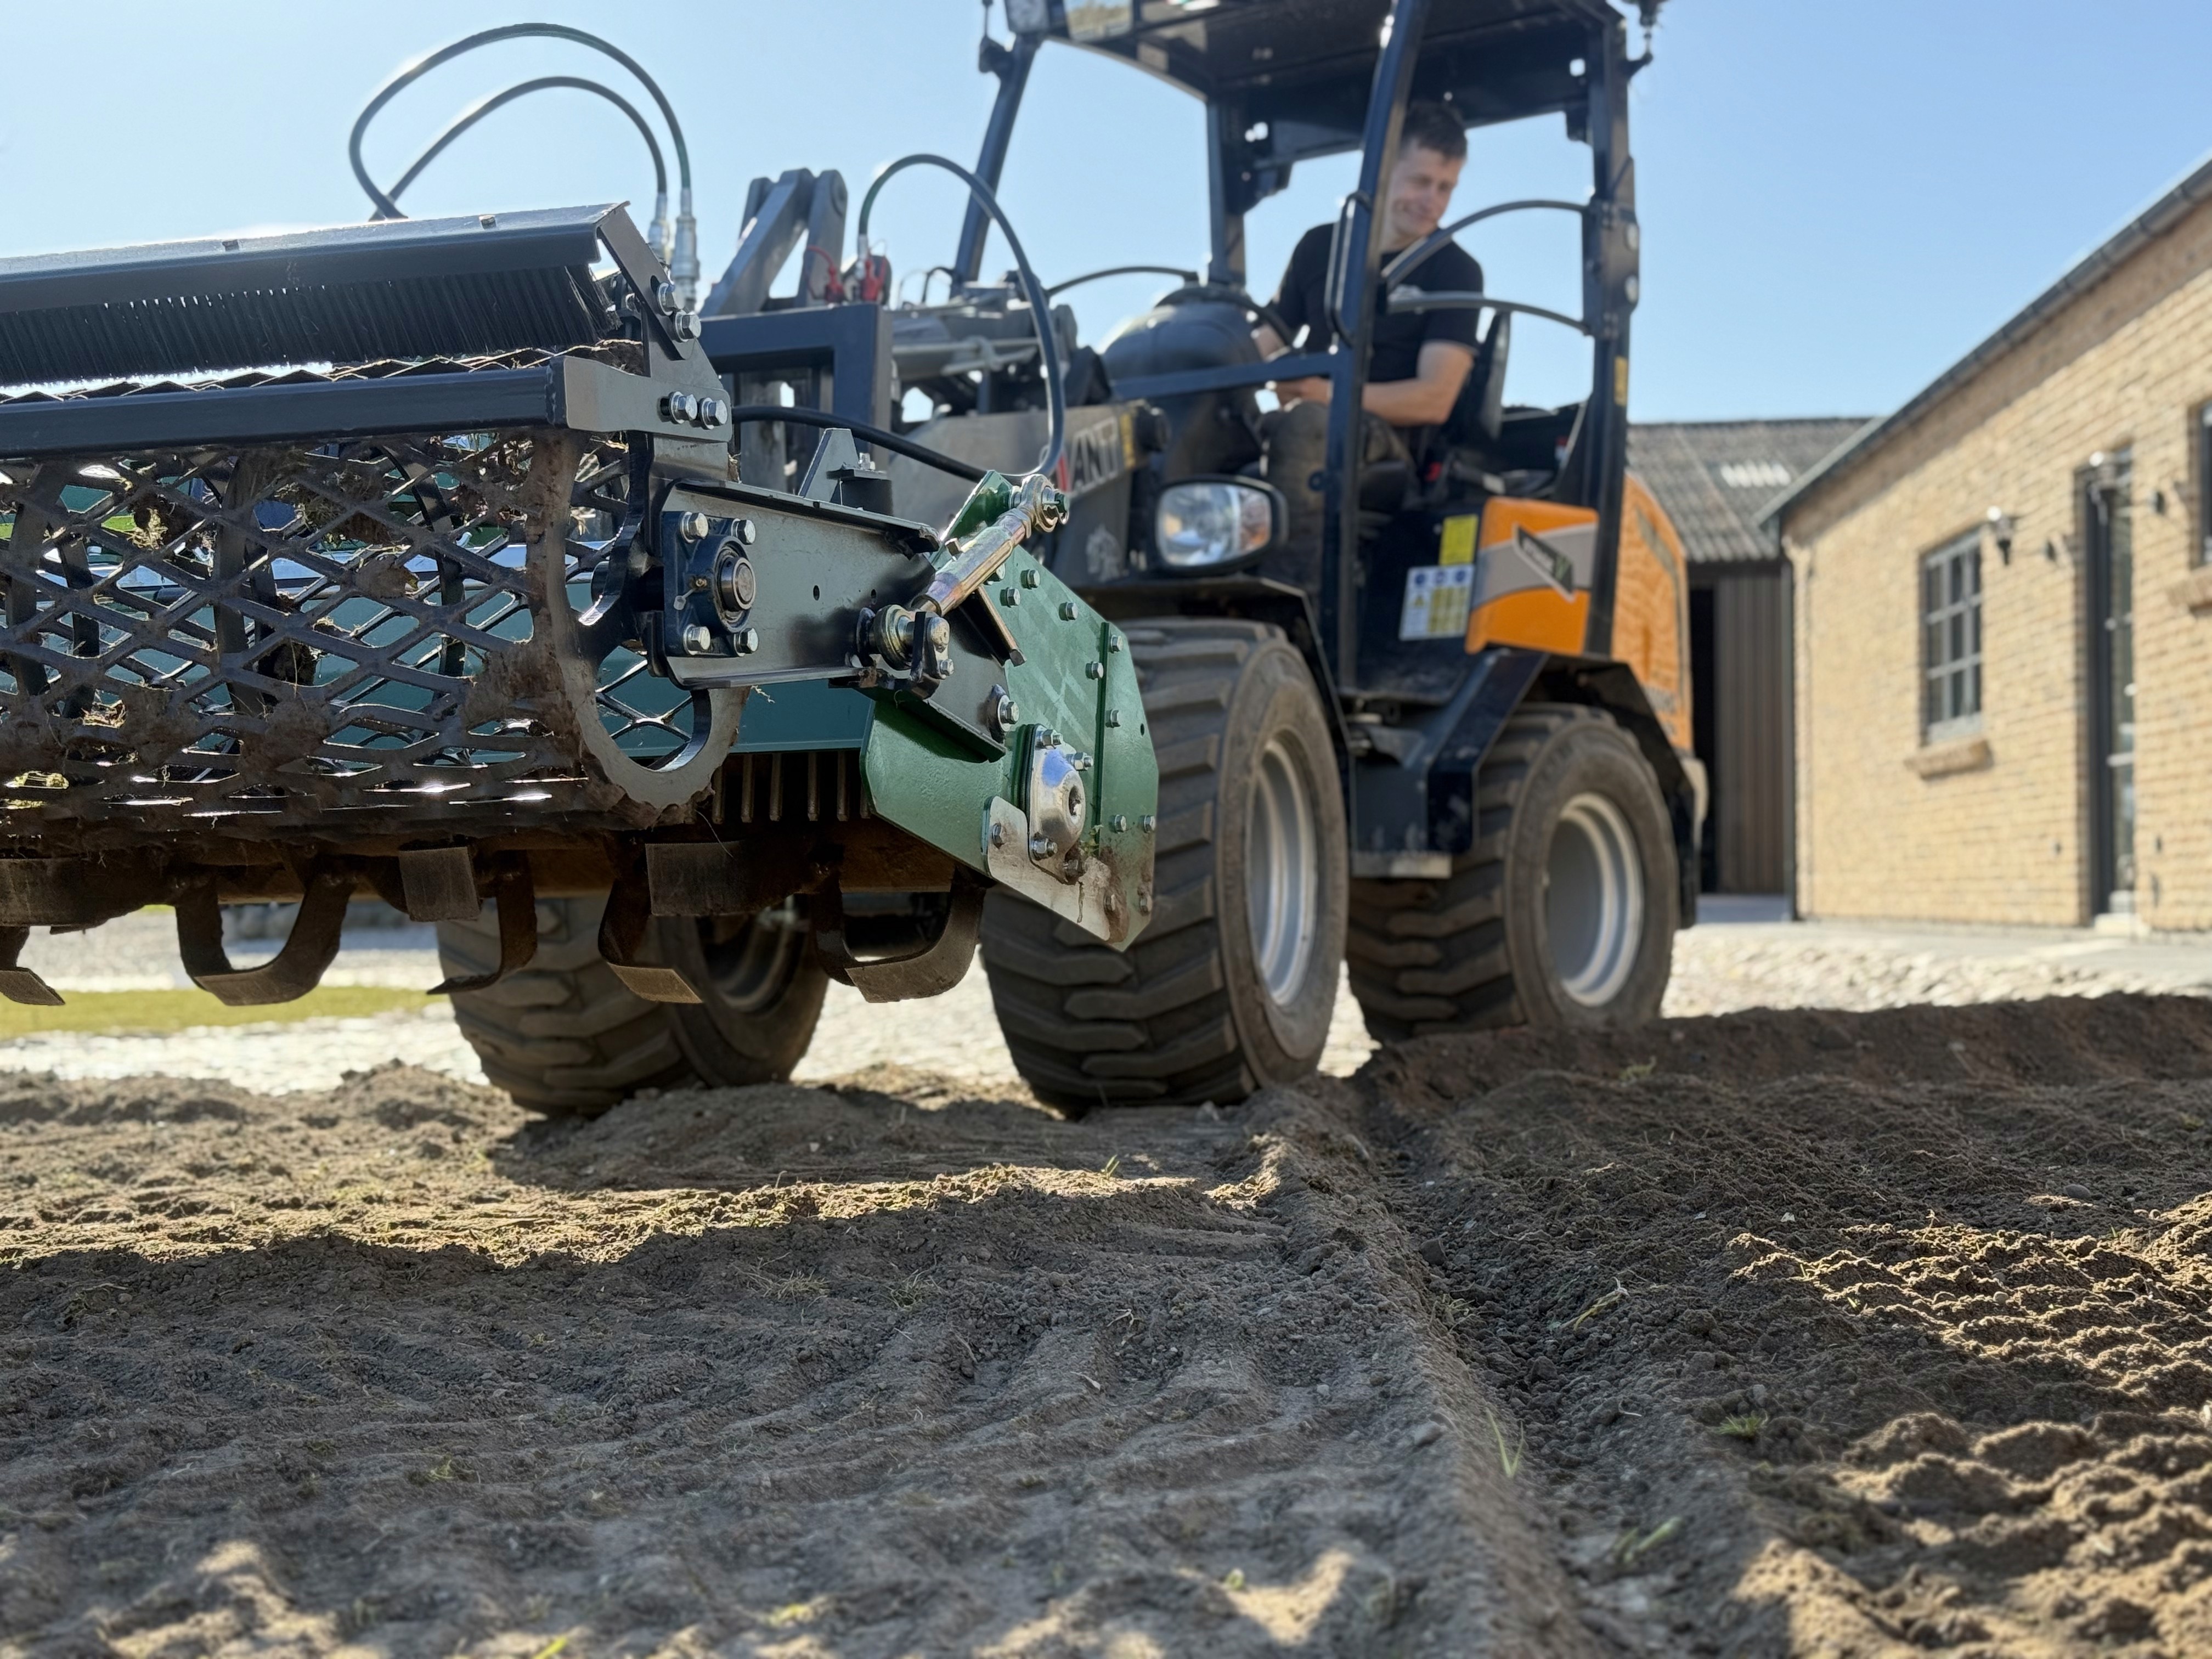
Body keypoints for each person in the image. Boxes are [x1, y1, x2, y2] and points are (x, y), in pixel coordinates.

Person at [1251, 100, 1482, 592]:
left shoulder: (1454, 271)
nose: (1433, 201)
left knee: (1309, 425)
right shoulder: (1319, 248)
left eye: (1446, 188)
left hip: (1391, 450)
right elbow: (1261, 344)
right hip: (1309, 423)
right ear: (1381, 169)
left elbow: (1434, 398)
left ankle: (1295, 603)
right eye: (1421, 182)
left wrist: (1323, 395)